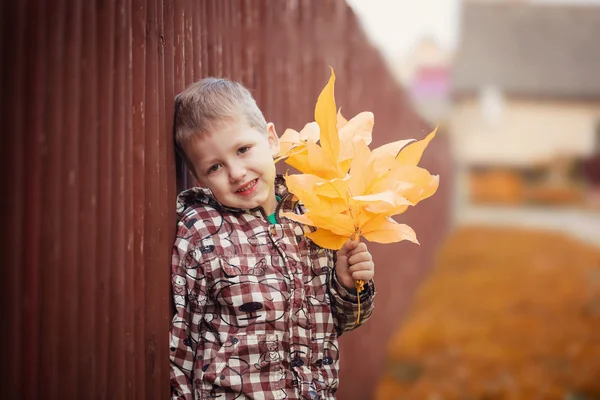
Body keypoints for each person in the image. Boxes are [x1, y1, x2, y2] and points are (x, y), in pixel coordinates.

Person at [169, 77, 376, 400]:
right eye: (214, 167)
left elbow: (340, 323)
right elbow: (184, 339)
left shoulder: (314, 215)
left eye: (243, 150)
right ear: (199, 177)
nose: (236, 172)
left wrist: (348, 287)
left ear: (271, 139)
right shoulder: (202, 230)